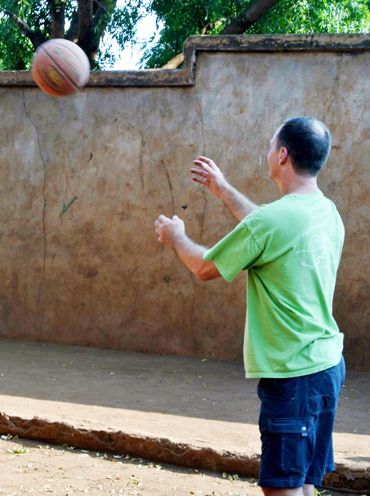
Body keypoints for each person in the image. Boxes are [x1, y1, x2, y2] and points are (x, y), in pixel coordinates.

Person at [154, 117, 345, 496]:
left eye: (271, 146)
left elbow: (205, 267)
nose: (268, 152)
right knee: (304, 484)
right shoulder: (326, 212)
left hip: (293, 375)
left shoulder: (274, 222)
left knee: (282, 489)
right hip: (326, 367)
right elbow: (267, 229)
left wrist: (177, 238)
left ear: (283, 155)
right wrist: (223, 190)